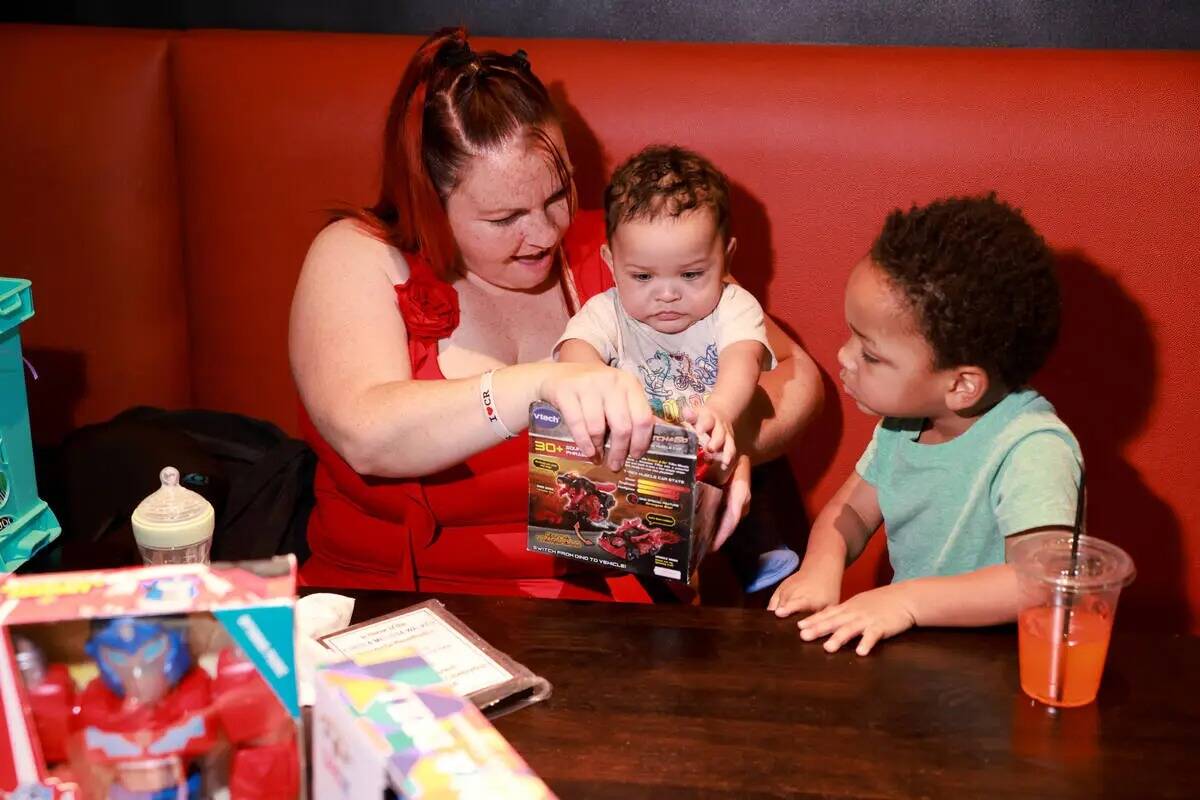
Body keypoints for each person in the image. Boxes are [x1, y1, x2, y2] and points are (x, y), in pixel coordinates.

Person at [288, 27, 822, 600]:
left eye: (557, 194)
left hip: (599, 615)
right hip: (388, 604)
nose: (544, 234)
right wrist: (544, 383)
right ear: (430, 201)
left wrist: (723, 436)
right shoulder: (359, 255)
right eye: (504, 218)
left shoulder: (626, 256)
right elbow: (365, 432)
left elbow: (799, 375)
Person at [768, 193, 1082, 653]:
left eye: (870, 354)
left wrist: (907, 601)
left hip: (1004, 668)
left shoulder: (1032, 447)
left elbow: (1039, 581)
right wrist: (820, 566)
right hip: (918, 662)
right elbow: (849, 513)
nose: (844, 356)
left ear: (961, 386)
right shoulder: (903, 425)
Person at [556, 144, 800, 592]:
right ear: (611, 263)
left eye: (690, 275)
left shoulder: (732, 305)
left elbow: (742, 358)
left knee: (755, 469)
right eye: (643, 277)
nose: (667, 295)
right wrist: (596, 381)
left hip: (717, 439)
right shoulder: (607, 312)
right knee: (634, 516)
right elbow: (574, 350)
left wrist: (722, 410)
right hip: (645, 457)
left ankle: (764, 550)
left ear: (726, 257)